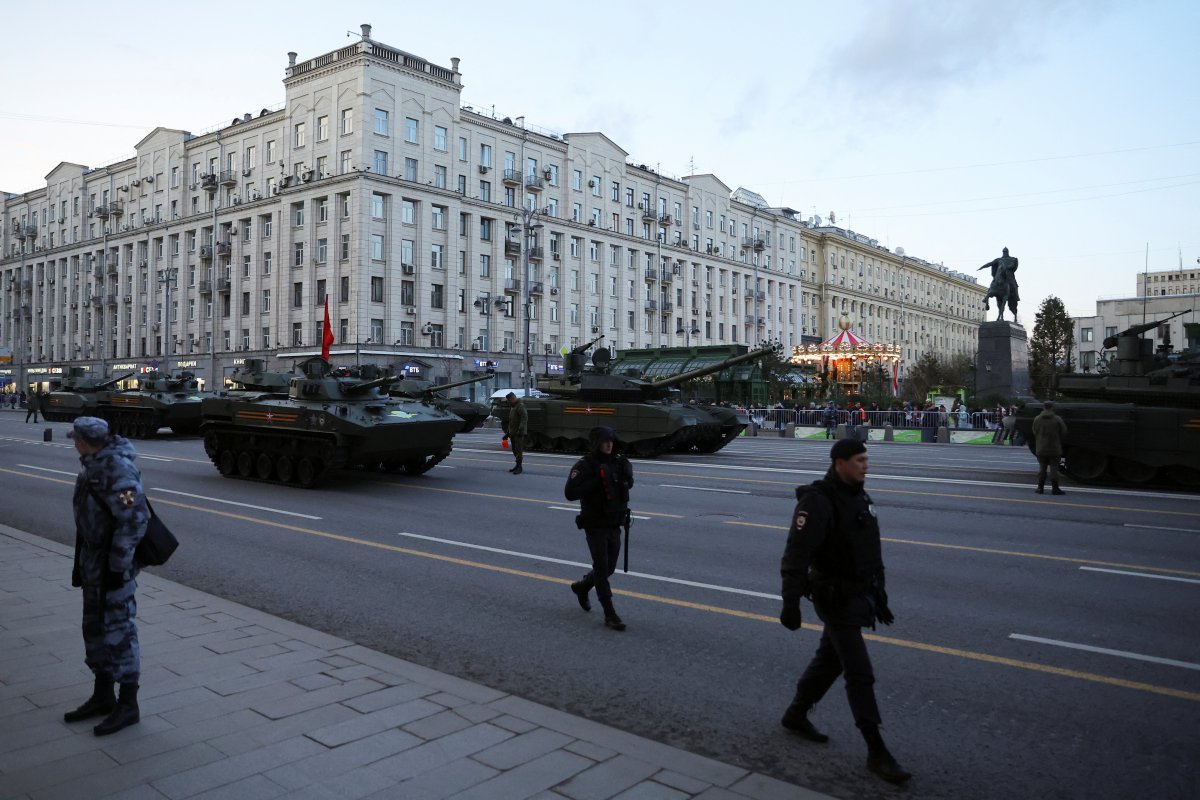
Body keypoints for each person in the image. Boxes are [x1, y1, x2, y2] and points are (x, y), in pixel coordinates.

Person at [778, 438, 911, 785]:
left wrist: (878, 593)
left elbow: (868, 550)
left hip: (858, 595)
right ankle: (876, 749)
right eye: (860, 460)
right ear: (840, 462)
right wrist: (790, 602)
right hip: (834, 598)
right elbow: (796, 554)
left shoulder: (858, 496)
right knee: (859, 671)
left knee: (830, 658)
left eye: (867, 459)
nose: (866, 466)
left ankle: (795, 714)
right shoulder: (818, 501)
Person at [65, 416, 149, 736]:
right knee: (95, 627)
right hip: (93, 561)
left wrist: (117, 566)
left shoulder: (117, 468)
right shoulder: (92, 464)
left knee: (119, 631)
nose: (73, 442)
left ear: (86, 440)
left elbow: (134, 521)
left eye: (76, 438)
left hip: (113, 566)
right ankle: (103, 695)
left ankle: (128, 704)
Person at [564, 426, 634, 631]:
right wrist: (598, 481)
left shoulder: (618, 461)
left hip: (614, 522)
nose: (609, 444)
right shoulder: (586, 465)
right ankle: (610, 613)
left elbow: (628, 483)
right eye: (605, 441)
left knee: (609, 567)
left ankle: (582, 587)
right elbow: (570, 493)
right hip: (594, 523)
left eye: (611, 440)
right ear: (596, 443)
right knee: (602, 569)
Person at [1032, 401, 1068, 495]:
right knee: (1054, 469)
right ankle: (1055, 489)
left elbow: (1034, 431)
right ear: (1052, 407)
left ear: (1043, 407)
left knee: (1042, 468)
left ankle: (1040, 488)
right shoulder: (1057, 419)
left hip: (1041, 447)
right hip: (1054, 448)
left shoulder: (1037, 419)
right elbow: (1064, 432)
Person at [501, 391, 528, 474]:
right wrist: (507, 433)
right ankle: (517, 465)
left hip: (518, 433)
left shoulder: (520, 405)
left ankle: (519, 467)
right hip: (513, 432)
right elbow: (511, 421)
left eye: (509, 400)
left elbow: (524, 417)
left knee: (518, 450)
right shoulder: (514, 406)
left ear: (513, 398)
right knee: (514, 450)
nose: (508, 402)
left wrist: (521, 429)